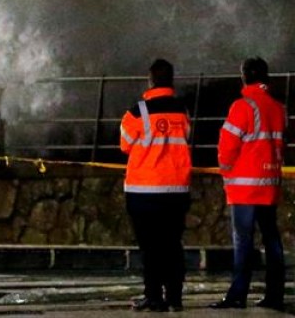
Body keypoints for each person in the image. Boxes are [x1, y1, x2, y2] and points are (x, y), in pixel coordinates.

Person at [210, 57, 287, 311]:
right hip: (269, 184)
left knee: (243, 241)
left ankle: (238, 294)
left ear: (244, 76)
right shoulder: (278, 108)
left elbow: (227, 147)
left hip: (244, 187)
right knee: (272, 240)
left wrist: (227, 171)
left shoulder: (242, 107)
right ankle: (275, 294)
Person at [119, 58, 192, 312]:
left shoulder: (137, 112)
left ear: (150, 80)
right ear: (171, 80)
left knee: (150, 247)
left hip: (144, 191)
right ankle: (175, 296)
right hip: (177, 189)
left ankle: (154, 296)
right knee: (173, 244)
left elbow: (125, 145)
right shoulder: (182, 109)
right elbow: (186, 136)